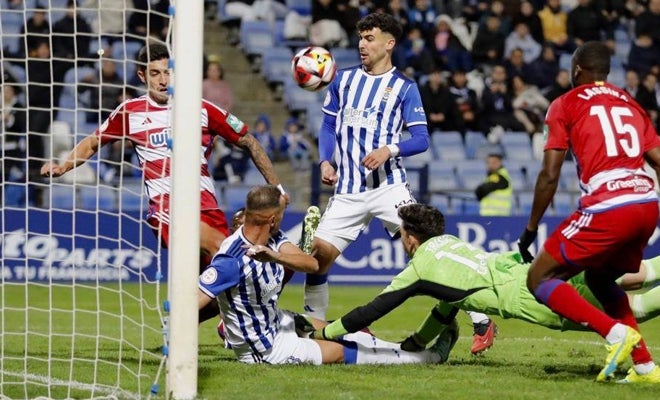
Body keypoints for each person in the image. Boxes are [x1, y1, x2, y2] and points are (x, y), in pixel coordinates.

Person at [40, 42, 286, 323]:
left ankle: (182, 324)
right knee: (226, 249)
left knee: (233, 279)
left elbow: (248, 141)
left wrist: (277, 189)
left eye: (167, 72)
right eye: (154, 73)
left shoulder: (201, 109)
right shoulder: (130, 112)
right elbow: (94, 141)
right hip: (167, 208)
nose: (163, 79)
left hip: (207, 207)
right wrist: (63, 166)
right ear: (143, 77)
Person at [307, 12, 496, 355]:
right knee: (318, 258)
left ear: (389, 44)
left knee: (431, 253)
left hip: (388, 188)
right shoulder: (343, 81)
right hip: (348, 192)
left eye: (370, 38)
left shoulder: (405, 87)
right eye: (361, 38)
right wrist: (325, 159)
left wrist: (388, 149)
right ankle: (314, 329)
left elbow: (421, 139)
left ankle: (481, 318)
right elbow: (327, 126)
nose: (362, 44)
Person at [305, 204, 660, 372]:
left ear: (410, 239)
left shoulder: (420, 270)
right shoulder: (451, 242)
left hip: (530, 297)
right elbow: (449, 303)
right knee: (629, 276)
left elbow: (374, 309)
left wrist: (332, 331)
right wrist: (416, 342)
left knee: (632, 311)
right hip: (528, 270)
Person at [517, 41, 660, 383]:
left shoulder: (564, 103)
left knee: (539, 278)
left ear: (577, 68)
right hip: (647, 202)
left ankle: (615, 334)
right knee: (598, 277)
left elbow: (550, 174)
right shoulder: (630, 102)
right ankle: (645, 368)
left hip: (609, 205)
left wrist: (531, 228)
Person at [198, 185, 457, 365]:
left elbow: (310, 264)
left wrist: (273, 255)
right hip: (265, 349)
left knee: (346, 332)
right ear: (273, 219)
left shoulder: (272, 238)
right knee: (346, 351)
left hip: (277, 321)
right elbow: (192, 302)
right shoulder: (230, 261)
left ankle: (405, 348)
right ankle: (429, 357)